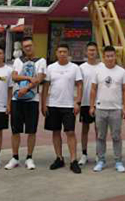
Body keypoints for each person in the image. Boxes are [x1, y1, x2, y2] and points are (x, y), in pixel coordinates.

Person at [6, 36, 46, 171]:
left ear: (34, 46)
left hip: (32, 100)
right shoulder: (18, 61)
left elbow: (39, 79)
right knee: (15, 130)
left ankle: (29, 157)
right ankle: (15, 157)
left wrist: (26, 88)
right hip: (16, 99)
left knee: (31, 130)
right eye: (25, 46)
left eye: (30, 45)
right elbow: (14, 76)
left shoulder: (41, 61)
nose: (28, 48)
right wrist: (29, 77)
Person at [41, 44, 83, 174]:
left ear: (68, 53)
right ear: (56, 53)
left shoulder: (74, 68)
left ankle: (73, 160)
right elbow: (46, 87)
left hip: (69, 106)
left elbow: (79, 85)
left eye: (65, 51)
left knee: (70, 132)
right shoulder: (50, 68)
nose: (62, 54)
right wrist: (43, 104)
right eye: (60, 52)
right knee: (55, 132)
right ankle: (59, 158)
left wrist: (78, 102)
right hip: (53, 105)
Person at [89, 46, 125, 173]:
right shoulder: (98, 71)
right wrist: (92, 106)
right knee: (101, 136)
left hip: (116, 109)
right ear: (104, 57)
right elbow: (93, 89)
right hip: (100, 109)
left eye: (112, 56)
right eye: (107, 56)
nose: (110, 58)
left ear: (115, 56)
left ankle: (118, 161)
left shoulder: (122, 72)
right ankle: (101, 160)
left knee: (116, 136)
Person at [79, 42, 102, 166]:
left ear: (97, 51)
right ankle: (84, 154)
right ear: (86, 52)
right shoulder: (81, 68)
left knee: (99, 130)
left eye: (94, 50)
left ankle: (99, 154)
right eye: (90, 50)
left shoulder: (102, 66)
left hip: (100, 103)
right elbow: (79, 86)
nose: (92, 52)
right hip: (85, 102)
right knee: (85, 129)